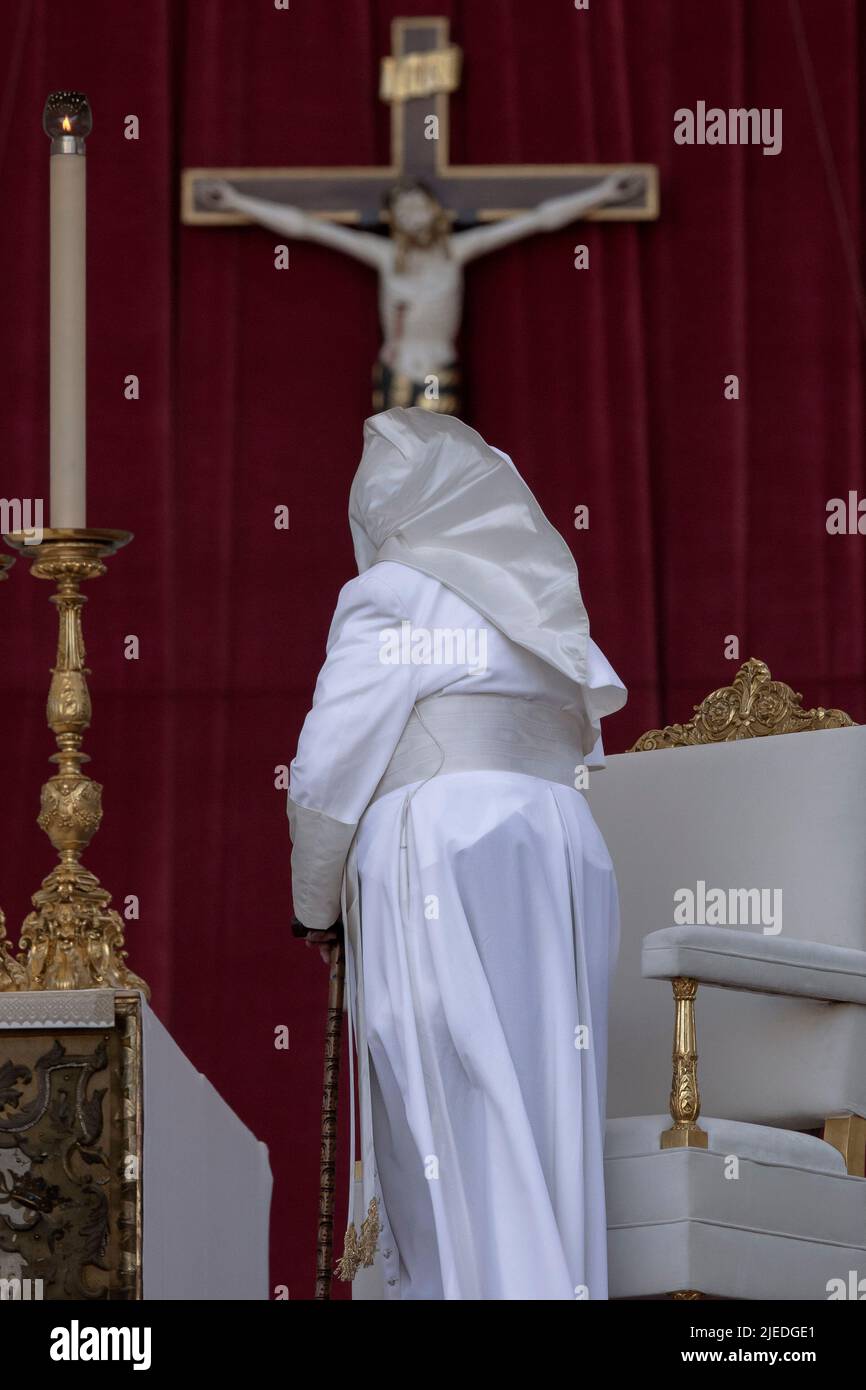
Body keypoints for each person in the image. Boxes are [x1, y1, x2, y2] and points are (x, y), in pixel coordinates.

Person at [288, 407, 626, 1300]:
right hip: (561, 851)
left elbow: (325, 775)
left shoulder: (394, 593)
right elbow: (582, 753)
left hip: (441, 849)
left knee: (454, 1114)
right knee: (545, 1117)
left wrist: (313, 907)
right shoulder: (546, 605)